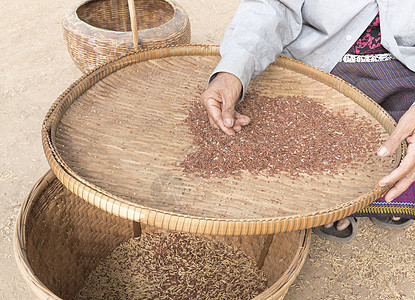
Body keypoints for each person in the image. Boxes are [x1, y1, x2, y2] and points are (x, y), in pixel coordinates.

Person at [200, 0, 415, 242]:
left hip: (405, 70)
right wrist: (233, 71)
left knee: (401, 155)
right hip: (320, 62)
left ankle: (366, 196)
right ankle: (338, 198)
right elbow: (272, 5)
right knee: (281, 145)